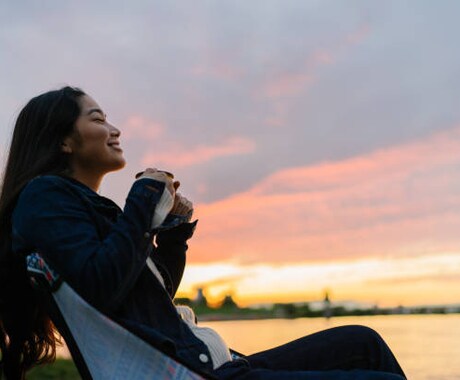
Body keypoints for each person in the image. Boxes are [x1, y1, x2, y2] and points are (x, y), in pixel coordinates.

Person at [0, 86, 407, 379]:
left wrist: (173, 237)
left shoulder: (82, 208)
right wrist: (144, 196)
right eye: (98, 118)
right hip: (190, 372)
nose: (115, 129)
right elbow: (101, 285)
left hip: (208, 360)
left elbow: (144, 301)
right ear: (63, 141)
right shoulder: (44, 196)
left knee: (363, 341)